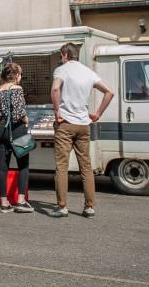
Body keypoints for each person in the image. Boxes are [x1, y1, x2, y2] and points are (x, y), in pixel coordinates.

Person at [50, 43, 114, 218]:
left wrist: (57, 112)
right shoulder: (88, 72)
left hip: (65, 124)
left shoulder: (62, 70)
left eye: (61, 55)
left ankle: (62, 207)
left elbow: (55, 88)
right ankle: (89, 207)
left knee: (62, 166)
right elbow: (109, 92)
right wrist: (98, 113)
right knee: (85, 166)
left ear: (65, 55)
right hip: (84, 124)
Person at [0, 63, 34, 213]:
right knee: (23, 166)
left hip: (1, 131)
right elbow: (19, 112)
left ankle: (4, 203)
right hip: (17, 130)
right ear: (17, 75)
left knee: (2, 167)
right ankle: (20, 201)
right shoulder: (17, 89)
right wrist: (26, 120)